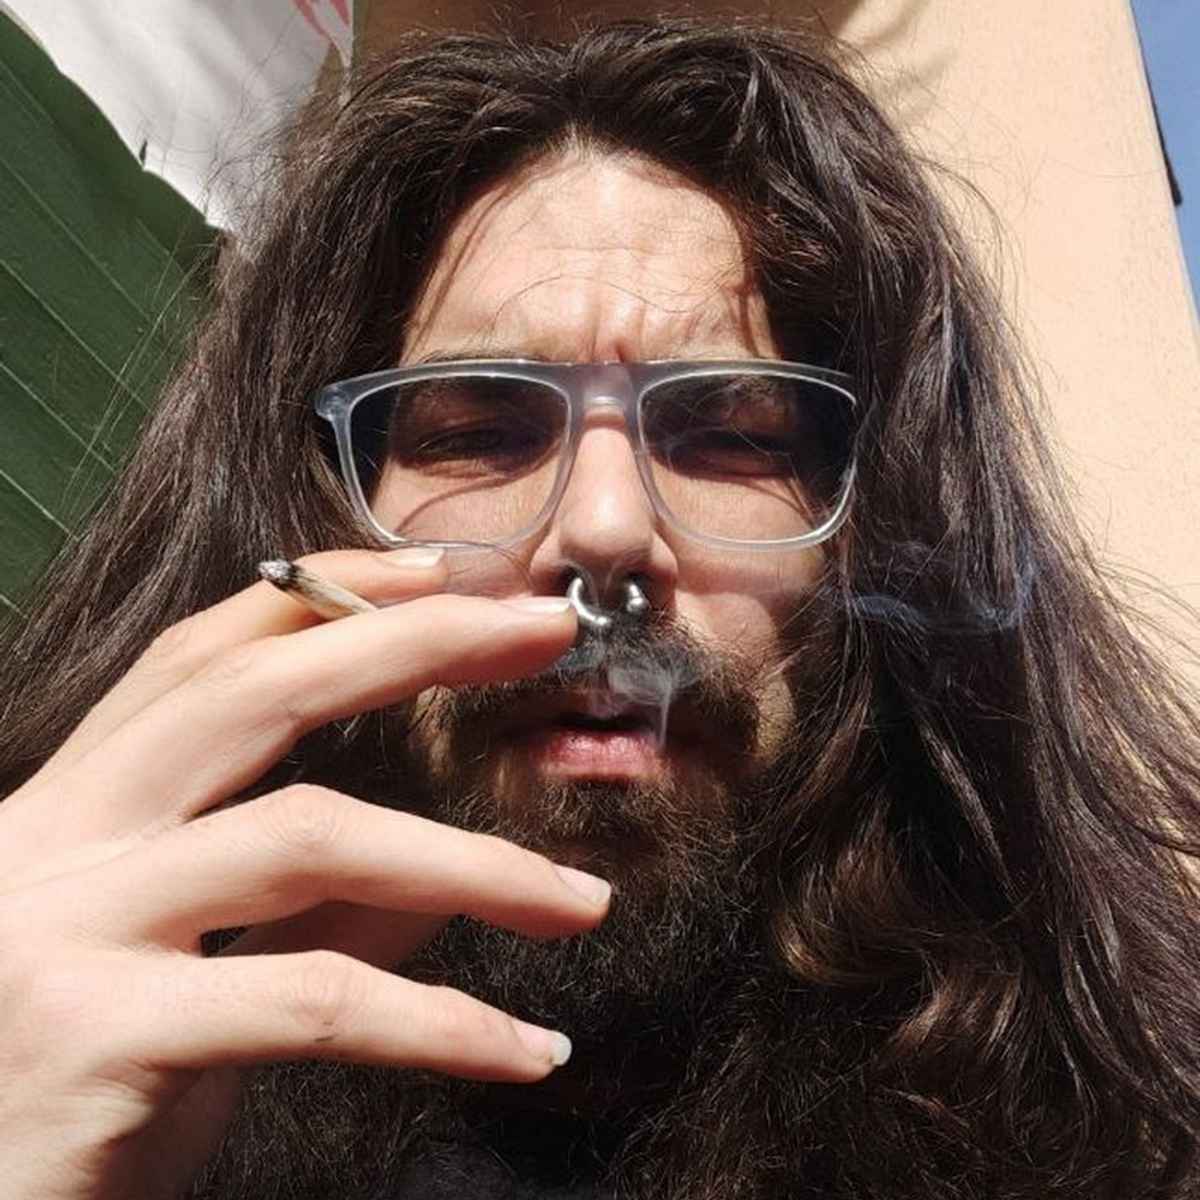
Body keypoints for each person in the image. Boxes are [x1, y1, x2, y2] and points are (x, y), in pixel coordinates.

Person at [0, 19, 1198, 1200]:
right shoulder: (96, 1069)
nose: (607, 530)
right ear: (311, 515)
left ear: (871, 536)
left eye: (733, 435)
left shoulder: (1117, 1140)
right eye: (477, 428)